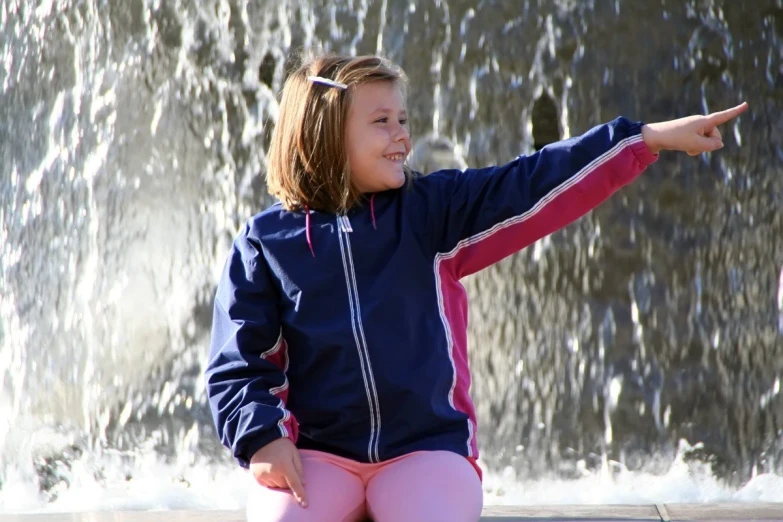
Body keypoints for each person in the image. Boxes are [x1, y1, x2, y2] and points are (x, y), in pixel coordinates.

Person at [205, 52, 748, 522]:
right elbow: (238, 360)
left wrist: (644, 139)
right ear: (324, 131)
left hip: (424, 452)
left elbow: (530, 182)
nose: (402, 135)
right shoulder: (265, 242)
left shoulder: (430, 212)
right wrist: (261, 438)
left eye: (403, 119)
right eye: (382, 121)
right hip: (316, 454)